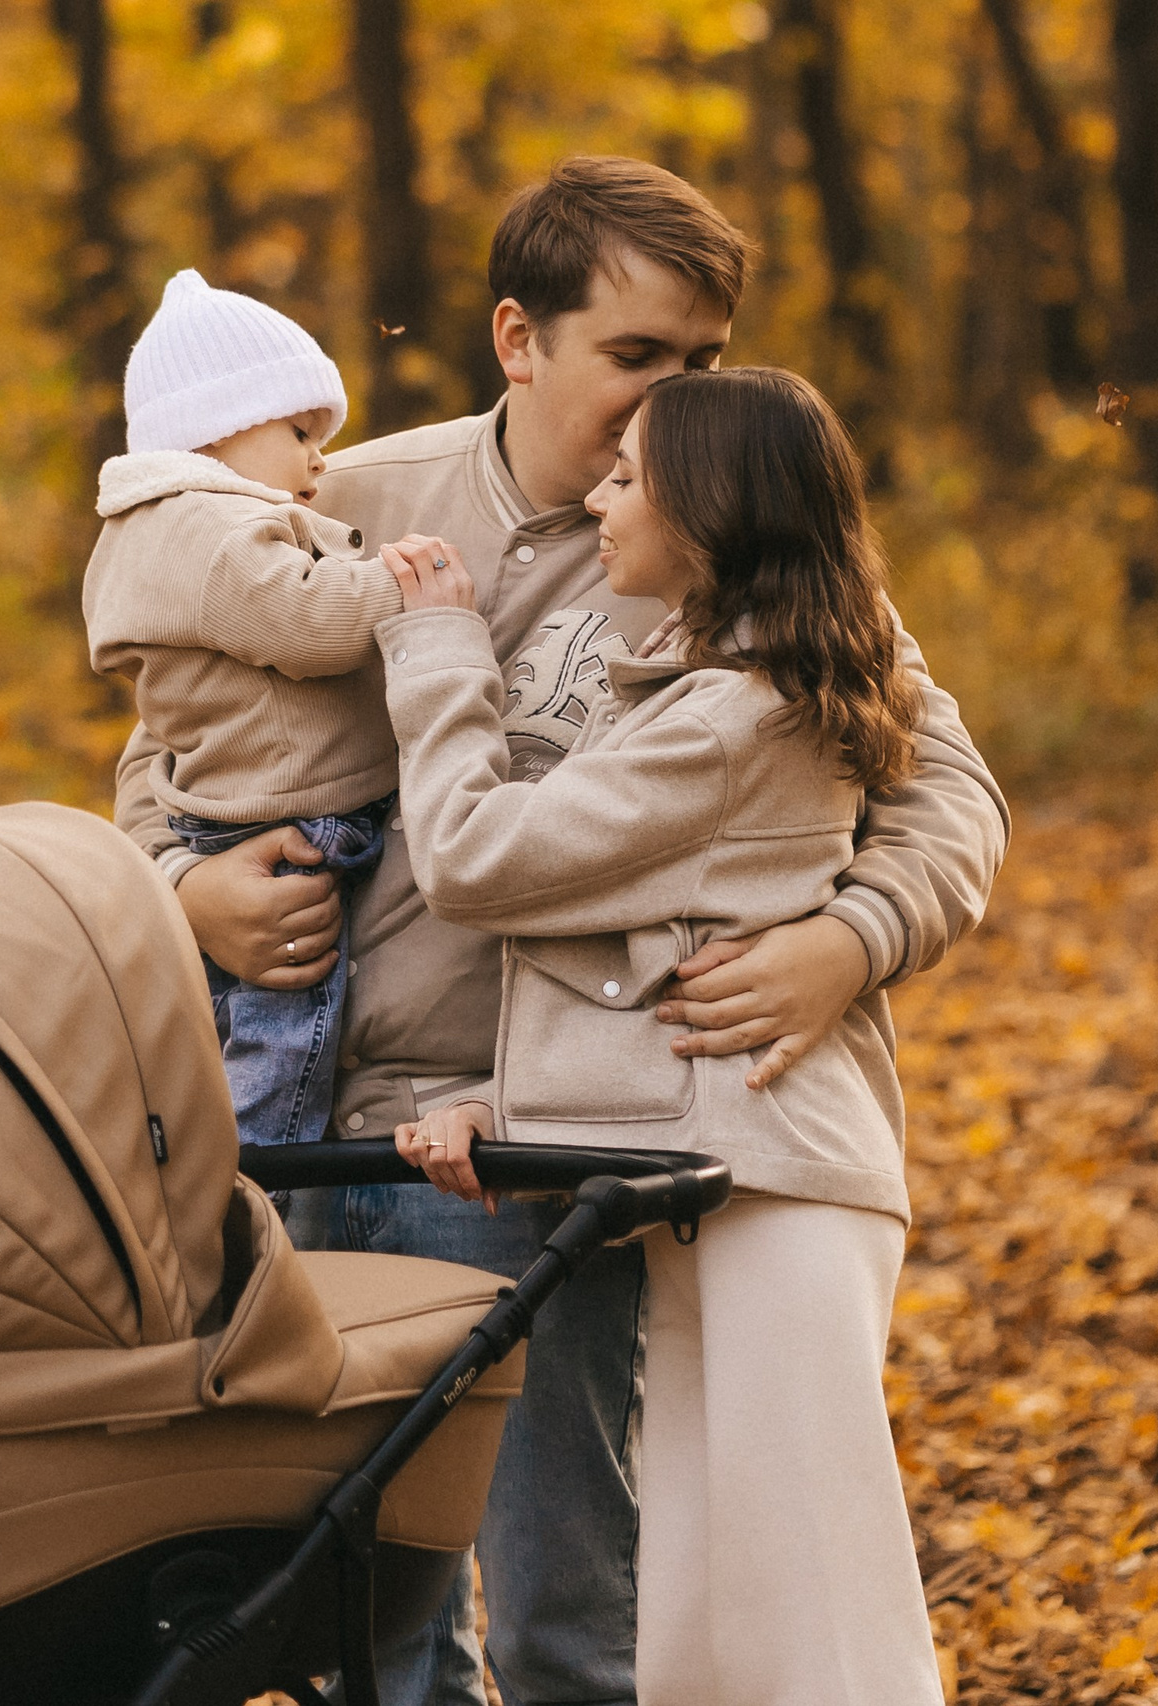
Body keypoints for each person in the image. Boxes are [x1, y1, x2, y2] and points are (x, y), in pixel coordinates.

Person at [115, 157, 1007, 1704]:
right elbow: (167, 743)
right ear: (519, 339)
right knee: (356, 1618)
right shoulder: (345, 503)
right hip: (318, 1123)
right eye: (637, 357)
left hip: (549, 1137)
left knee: (569, 1612)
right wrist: (180, 887)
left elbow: (942, 792)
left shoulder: (729, 529)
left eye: (704, 363)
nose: (671, 395)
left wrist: (850, 938)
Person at [382, 368, 946, 1705]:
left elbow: (472, 858)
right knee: (698, 1641)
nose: (598, 497)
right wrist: (492, 1101)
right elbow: (631, 971)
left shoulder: (729, 713)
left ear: (710, 509)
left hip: (778, 1188)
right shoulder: (709, 682)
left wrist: (440, 649)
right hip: (706, 1187)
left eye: (630, 475)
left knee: (818, 1630)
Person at [84, 268, 400, 1149]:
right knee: (284, 1032)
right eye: (300, 430)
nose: (321, 458)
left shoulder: (153, 530)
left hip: (227, 813)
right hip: (287, 819)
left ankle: (210, 1160)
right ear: (215, 431)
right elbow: (309, 626)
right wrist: (403, 586)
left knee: (236, 1021)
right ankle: (251, 1180)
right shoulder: (206, 532)